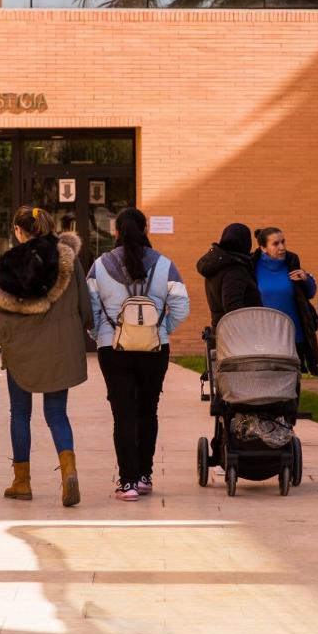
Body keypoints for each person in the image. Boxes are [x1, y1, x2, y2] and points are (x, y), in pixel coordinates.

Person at [0, 207, 93, 507]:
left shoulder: (10, 266)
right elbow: (85, 306)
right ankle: (68, 471)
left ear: (19, 231)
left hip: (21, 353)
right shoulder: (68, 257)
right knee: (56, 413)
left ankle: (22, 482)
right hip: (60, 348)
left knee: (20, 414)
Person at [88, 208, 191, 501]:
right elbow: (182, 306)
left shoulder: (99, 265)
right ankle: (145, 475)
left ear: (116, 232)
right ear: (145, 230)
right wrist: (161, 329)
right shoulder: (165, 264)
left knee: (123, 415)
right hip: (154, 350)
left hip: (114, 349)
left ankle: (128, 482)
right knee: (148, 410)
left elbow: (90, 309)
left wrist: (102, 335)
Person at [253, 227, 318, 377]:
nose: (282, 247)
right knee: (268, 379)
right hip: (265, 335)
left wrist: (306, 278)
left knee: (292, 379)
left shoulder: (292, 262)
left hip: (294, 335)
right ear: (263, 248)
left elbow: (309, 294)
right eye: (275, 244)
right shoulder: (252, 267)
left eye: (283, 242)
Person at [196, 223, 262, 326]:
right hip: (238, 334)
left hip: (222, 329)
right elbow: (233, 306)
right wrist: (254, 324)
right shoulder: (234, 269)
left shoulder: (218, 265)